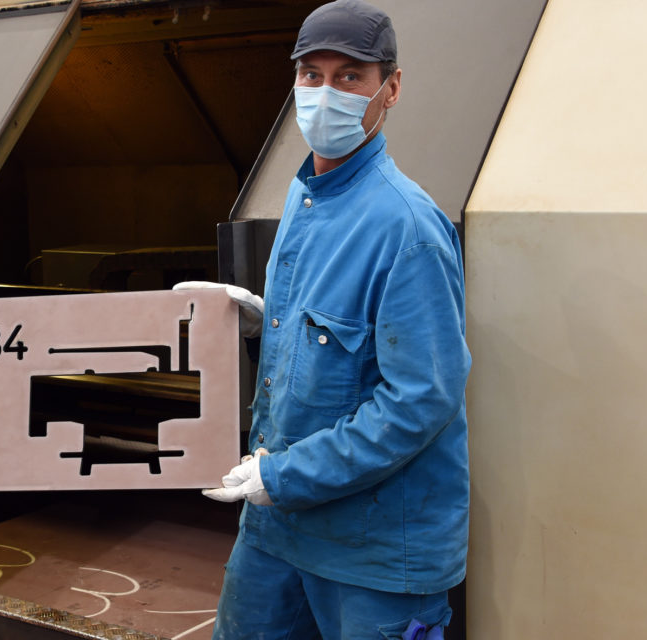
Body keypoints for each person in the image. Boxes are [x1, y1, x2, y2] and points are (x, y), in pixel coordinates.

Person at [181, 1, 471, 638]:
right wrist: (262, 320)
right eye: (312, 75)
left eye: (349, 77)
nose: (325, 93)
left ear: (390, 88)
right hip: (280, 530)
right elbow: (335, 334)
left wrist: (281, 475)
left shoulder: (408, 229)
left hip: (372, 552)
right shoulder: (306, 192)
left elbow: (419, 401)